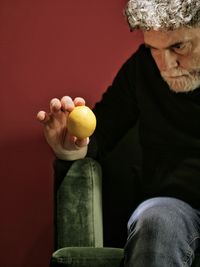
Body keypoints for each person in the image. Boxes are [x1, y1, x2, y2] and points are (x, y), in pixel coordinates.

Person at [37, 0, 200, 266]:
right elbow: (103, 130)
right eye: (153, 49)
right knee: (154, 223)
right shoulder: (142, 68)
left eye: (178, 46)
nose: (166, 65)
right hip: (172, 204)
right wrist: (72, 147)